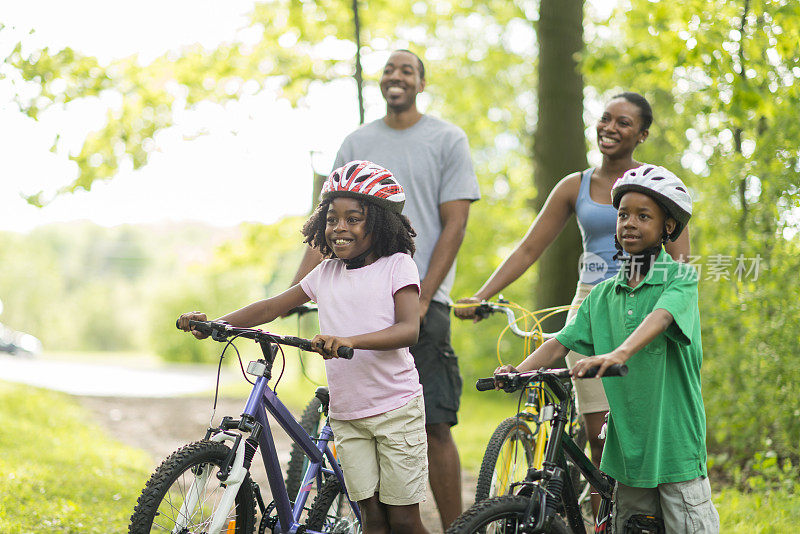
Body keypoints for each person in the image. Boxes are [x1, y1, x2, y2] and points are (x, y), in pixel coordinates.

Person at [455, 92, 690, 508]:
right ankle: (602, 512)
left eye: (623, 123)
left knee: (636, 421)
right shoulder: (575, 185)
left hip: (647, 300)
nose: (610, 128)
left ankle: (640, 506)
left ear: (642, 134)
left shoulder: (655, 185)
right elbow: (529, 249)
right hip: (595, 301)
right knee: (599, 434)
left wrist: (669, 300)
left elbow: (680, 261)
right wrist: (482, 296)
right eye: (605, 119)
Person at [179, 161, 429, 534]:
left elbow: (409, 329)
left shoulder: (397, 266)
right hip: (348, 414)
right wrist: (218, 323)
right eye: (331, 219)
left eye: (353, 218)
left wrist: (351, 341)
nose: (339, 228)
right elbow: (271, 307)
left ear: (379, 222)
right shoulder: (325, 272)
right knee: (373, 519)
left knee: (404, 520)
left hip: (396, 410)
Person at [291, 49, 480, 529]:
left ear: (421, 82)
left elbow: (455, 224)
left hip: (419, 295)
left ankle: (454, 526)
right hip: (358, 288)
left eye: (408, 70)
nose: (396, 77)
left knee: (434, 421)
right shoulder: (357, 139)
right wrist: (298, 289)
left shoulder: (446, 138)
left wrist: (424, 293)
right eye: (389, 70)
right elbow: (332, 218)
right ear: (381, 81)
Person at [496, 165, 719, 533]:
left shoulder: (678, 279)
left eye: (643, 216)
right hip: (627, 455)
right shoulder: (601, 296)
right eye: (623, 214)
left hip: (674, 449)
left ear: (668, 227)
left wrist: (619, 353)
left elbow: (662, 317)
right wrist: (517, 371)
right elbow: (561, 341)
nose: (629, 223)